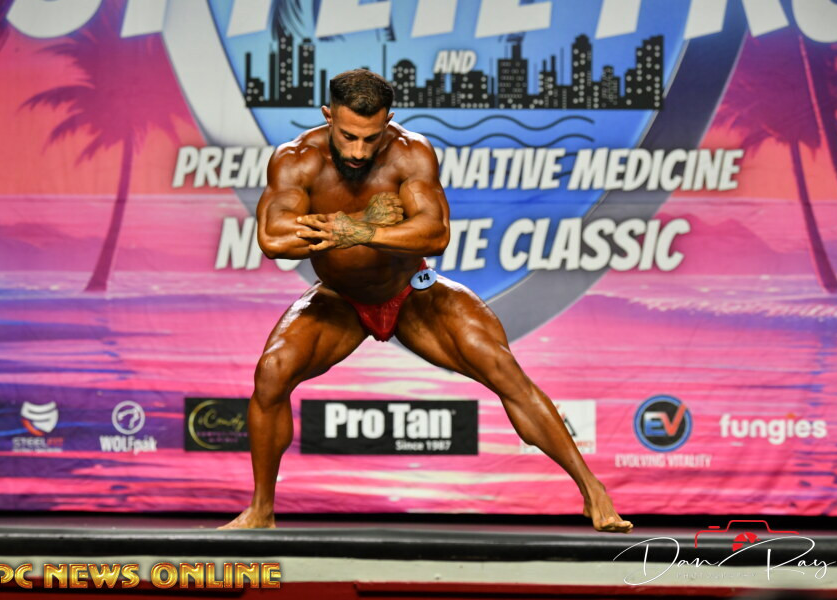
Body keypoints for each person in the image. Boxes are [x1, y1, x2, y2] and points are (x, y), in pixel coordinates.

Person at [221, 69, 632, 533]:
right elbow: (273, 239)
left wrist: (359, 231)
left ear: (389, 121)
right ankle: (261, 509)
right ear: (327, 116)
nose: (358, 152)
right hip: (339, 300)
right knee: (272, 372)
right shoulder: (296, 159)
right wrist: (360, 219)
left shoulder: (410, 153)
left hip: (412, 292)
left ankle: (592, 490)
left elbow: (434, 234)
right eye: (348, 136)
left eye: (371, 138)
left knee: (503, 369)